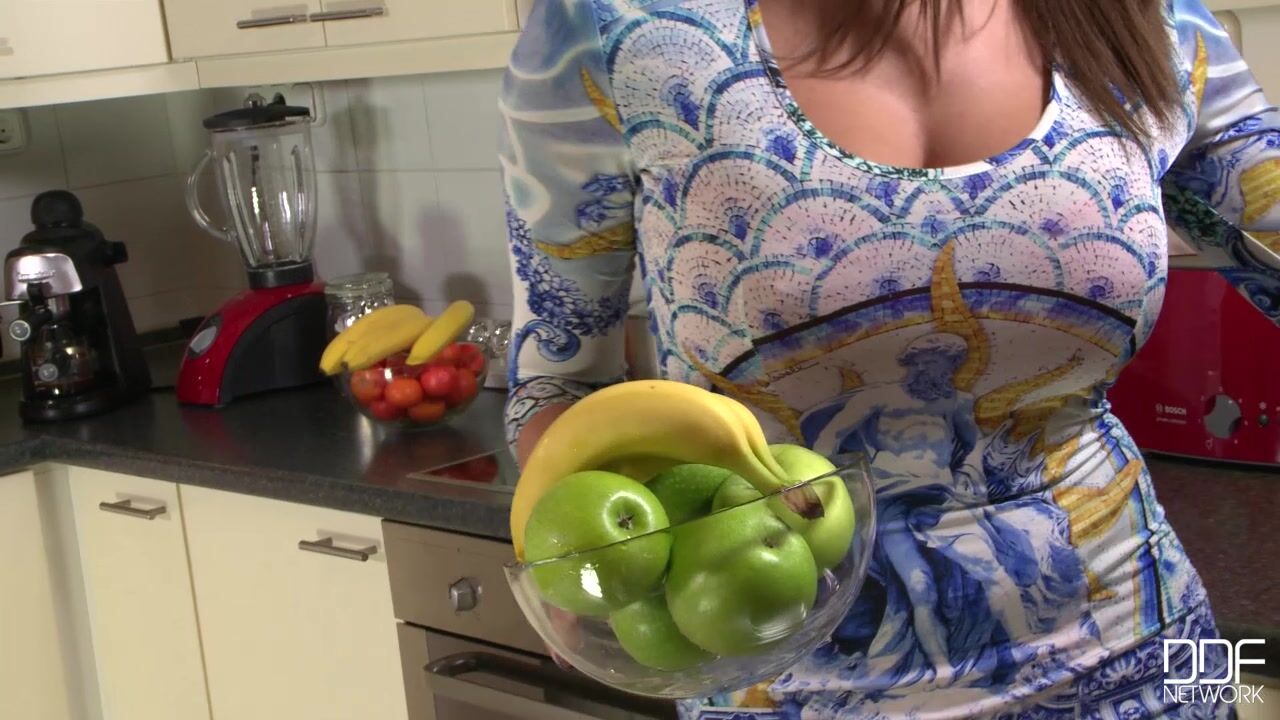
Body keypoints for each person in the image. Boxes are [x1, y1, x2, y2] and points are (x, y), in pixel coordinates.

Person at [499, 0, 1275, 716]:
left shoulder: (1146, 18)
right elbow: (557, 375)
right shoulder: (612, 27)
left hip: (1142, 654)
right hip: (781, 668)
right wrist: (571, 542)